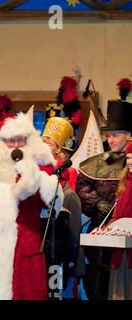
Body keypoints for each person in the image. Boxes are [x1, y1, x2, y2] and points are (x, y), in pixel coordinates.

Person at [0, 112, 63, 300]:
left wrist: (37, 178)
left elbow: (55, 203)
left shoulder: (41, 164)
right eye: (10, 141)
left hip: (25, 248)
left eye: (20, 140)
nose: (15, 145)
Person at [76, 99, 132, 300]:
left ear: (129, 135)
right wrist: (96, 202)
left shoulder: (131, 161)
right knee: (97, 276)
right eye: (108, 136)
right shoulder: (100, 162)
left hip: (126, 231)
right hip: (101, 229)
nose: (111, 140)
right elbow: (82, 186)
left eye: (115, 135)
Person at [42, 116, 84, 298]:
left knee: (56, 292)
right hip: (40, 251)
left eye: (48, 143)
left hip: (58, 256)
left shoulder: (68, 191)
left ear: (60, 152)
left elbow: (73, 237)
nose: (43, 146)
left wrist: (72, 265)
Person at [108, 142, 132, 300]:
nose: (129, 161)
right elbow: (117, 215)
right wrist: (109, 227)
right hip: (121, 250)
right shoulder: (124, 185)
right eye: (129, 157)